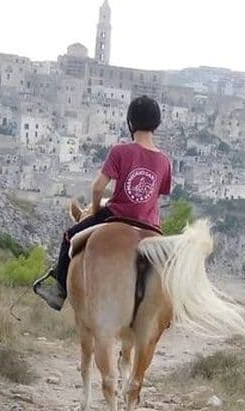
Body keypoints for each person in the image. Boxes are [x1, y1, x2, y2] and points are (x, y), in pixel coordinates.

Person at [33, 95, 172, 311]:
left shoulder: (120, 151)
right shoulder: (165, 161)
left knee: (69, 236)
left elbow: (98, 187)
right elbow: (156, 198)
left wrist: (96, 210)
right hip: (150, 225)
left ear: (130, 122)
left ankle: (59, 291)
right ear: (157, 123)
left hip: (117, 215)